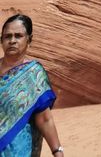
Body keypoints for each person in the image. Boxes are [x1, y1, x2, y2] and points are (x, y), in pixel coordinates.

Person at [0, 13, 64, 156]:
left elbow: (45, 119)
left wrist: (57, 151)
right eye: (7, 36)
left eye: (18, 36)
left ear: (29, 39)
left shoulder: (33, 74)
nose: (12, 40)